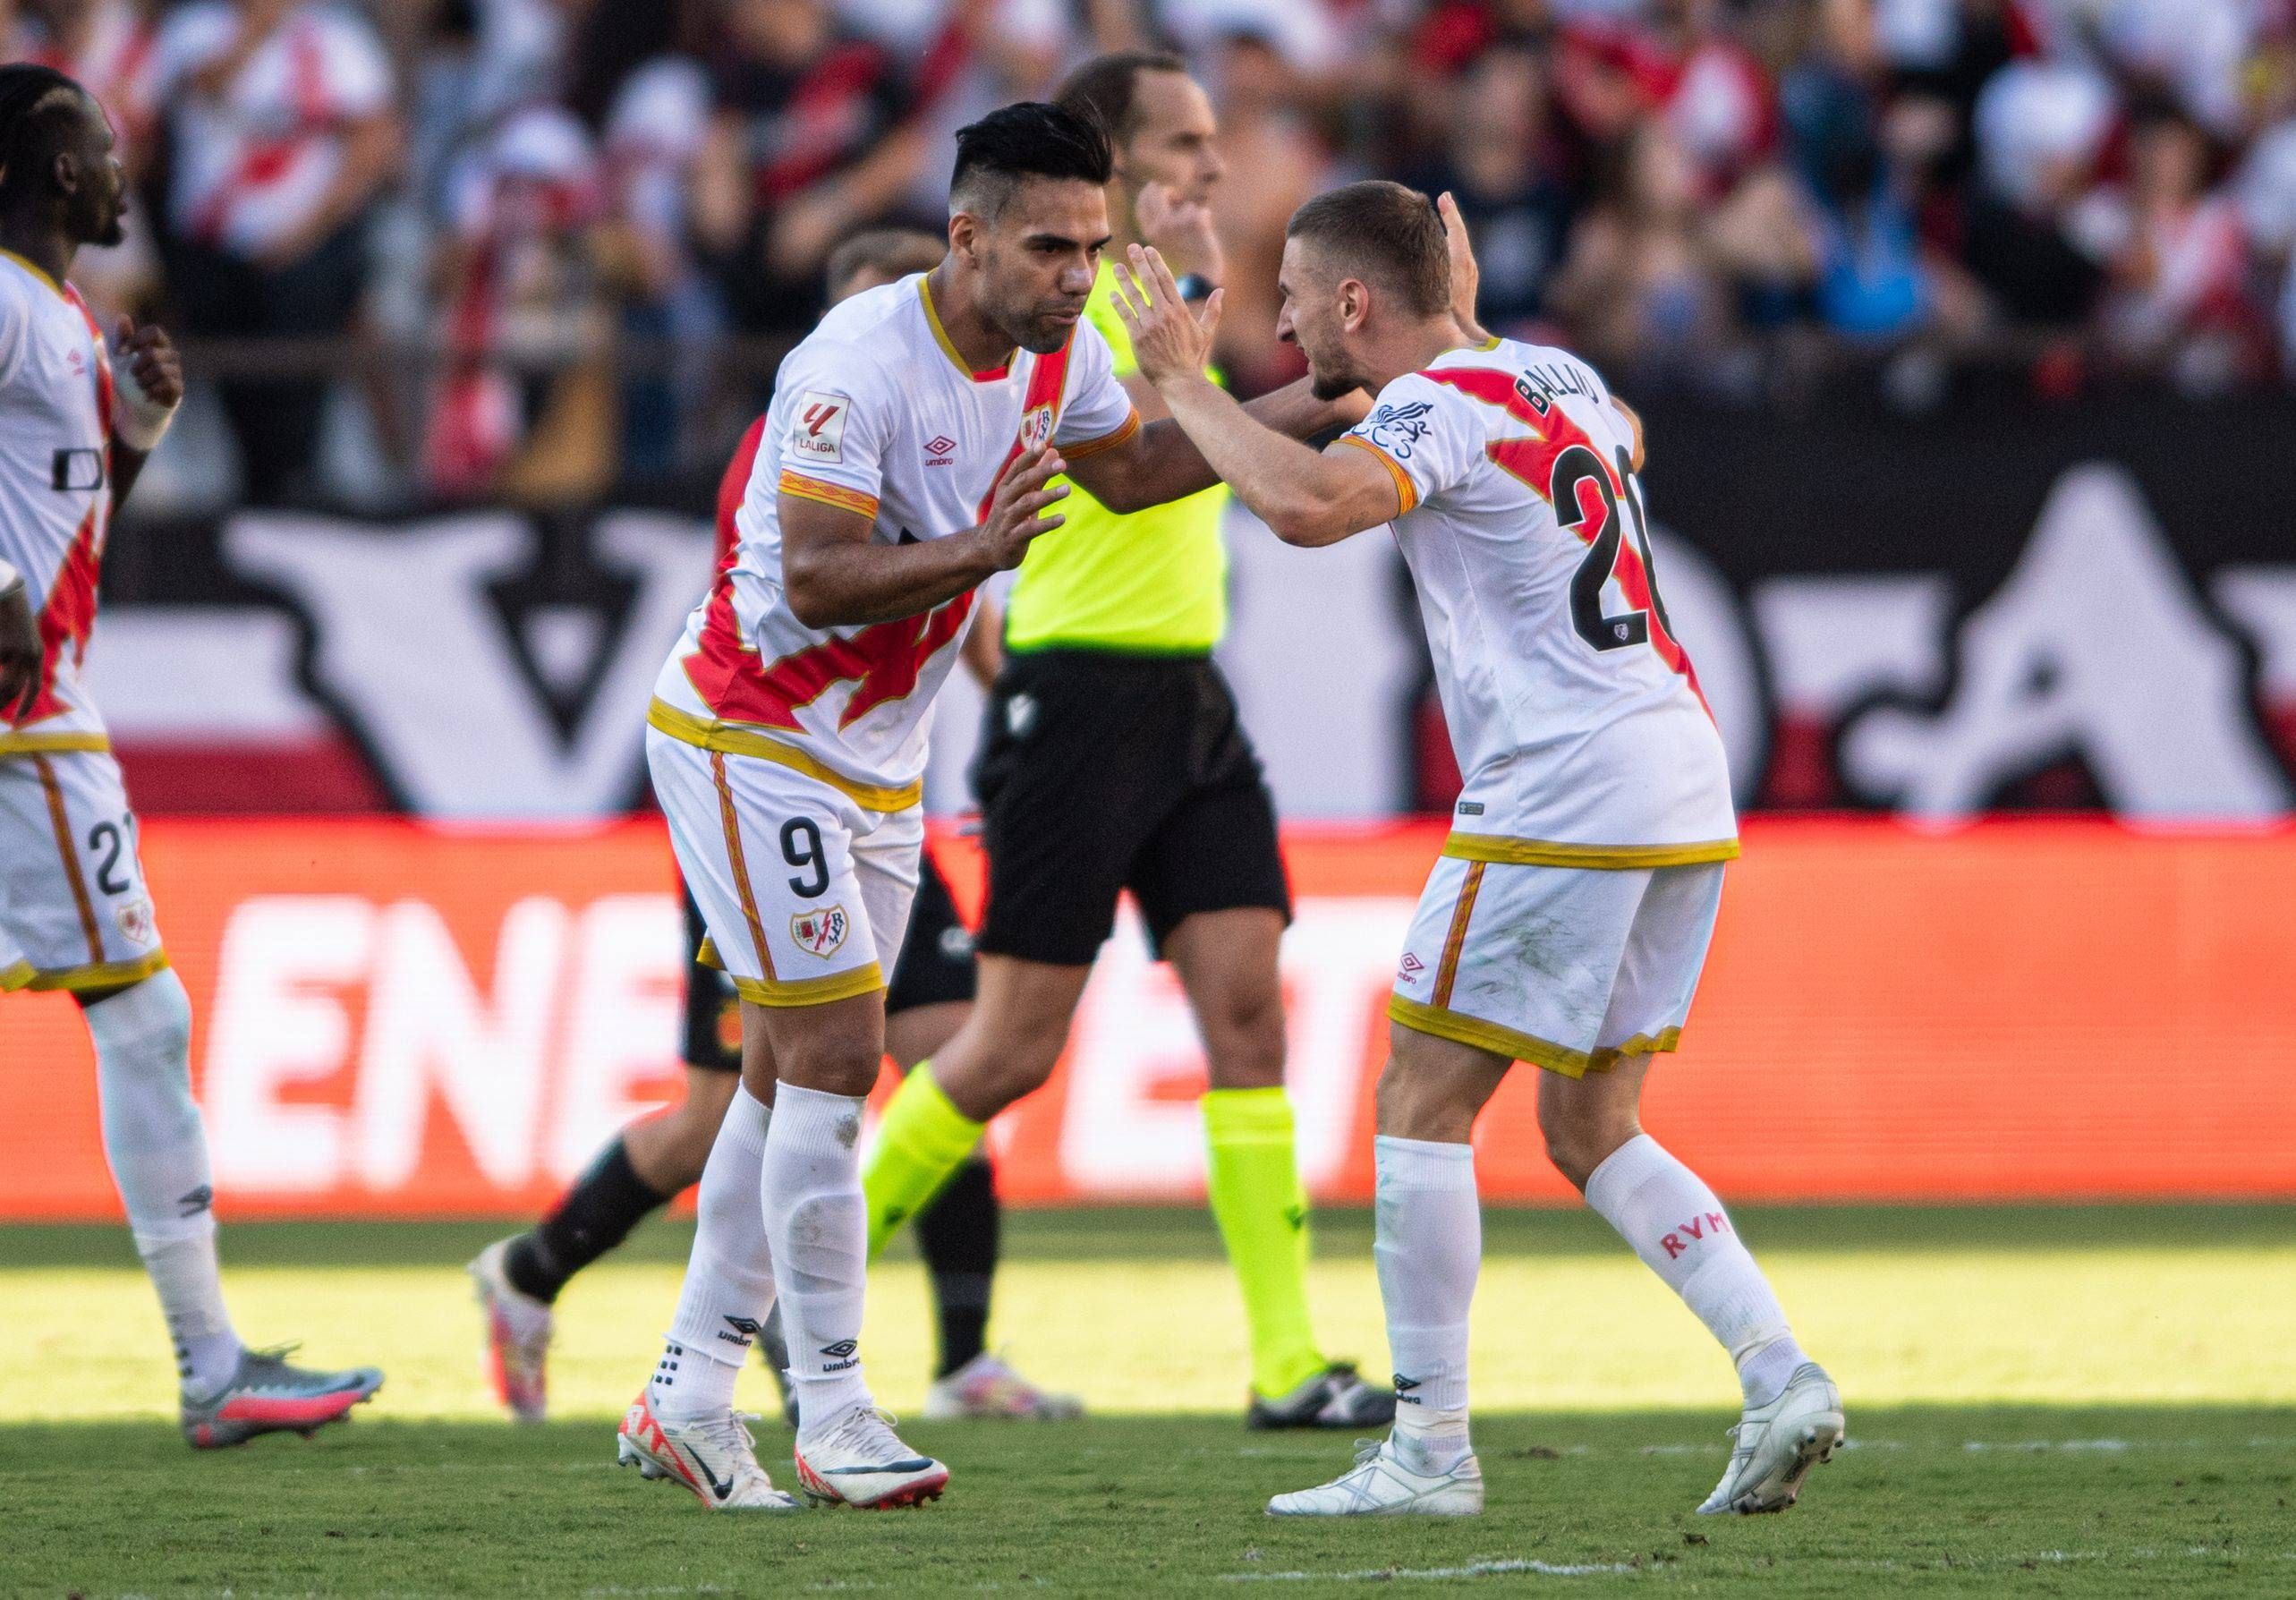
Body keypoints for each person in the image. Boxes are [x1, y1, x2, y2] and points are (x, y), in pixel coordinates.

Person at [614, 101, 1363, 1512]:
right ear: (965, 239)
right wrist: (980, 549)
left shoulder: (1054, 350)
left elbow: (1137, 472)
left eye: (1092, 246)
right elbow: (819, 573)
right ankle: (834, 1412)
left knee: (784, 1078)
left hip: (876, 758)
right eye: (1048, 248)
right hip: (749, 730)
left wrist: (1315, 396)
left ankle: (686, 1396)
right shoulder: (854, 365)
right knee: (836, 1059)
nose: (1079, 276)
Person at [1108, 180, 1841, 1519]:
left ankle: (1428, 1450)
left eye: (1291, 304)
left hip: (1561, 784)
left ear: (1351, 302)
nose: (1278, 330)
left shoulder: (1425, 408)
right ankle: (1778, 1371)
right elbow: (1615, 431)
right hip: (1681, 771)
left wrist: (1184, 384)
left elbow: (1313, 508)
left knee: (1418, 1101)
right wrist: (1462, 317)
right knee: (1587, 1120)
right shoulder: (1551, 370)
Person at [860, 51, 1391, 1433]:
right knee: (1006, 1052)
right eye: (1186, 144)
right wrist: (1336, 395)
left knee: (1246, 1019)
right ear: (1111, 157)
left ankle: (1286, 1368)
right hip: (1077, 696)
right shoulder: (1060, 307)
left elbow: (1184, 432)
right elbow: (1157, 464)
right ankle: (783, 1287)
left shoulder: (1147, 292)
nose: (1212, 167)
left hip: (1183, 695)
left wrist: (1211, 308)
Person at [471, 226, 1077, 1430]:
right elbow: (806, 605)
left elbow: (955, 612)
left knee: (948, 1056)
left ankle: (955, 1356)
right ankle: (544, 1276)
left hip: (875, 796)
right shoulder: (792, 444)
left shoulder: (957, 419)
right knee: (733, 1105)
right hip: (762, 783)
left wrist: (1002, 695)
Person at [0, 62, 381, 1448]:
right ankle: (212, 1366)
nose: (122, 168)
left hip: (35, 712)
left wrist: (133, 433)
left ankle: (215, 1360)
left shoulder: (56, 317)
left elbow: (61, 526)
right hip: (24, 730)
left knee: (139, 1017)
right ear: (51, 169)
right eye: (101, 147)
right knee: (144, 1018)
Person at [145, 0, 400, 506]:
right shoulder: (194, 30)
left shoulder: (339, 39)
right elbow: (193, 93)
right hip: (210, 257)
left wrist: (309, 228)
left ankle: (298, 490)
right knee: (225, 392)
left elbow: (376, 138)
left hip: (309, 259)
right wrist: (254, 32)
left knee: (298, 391)